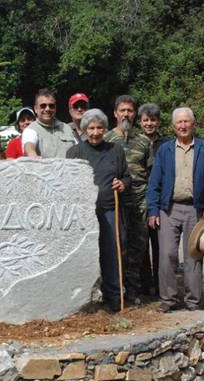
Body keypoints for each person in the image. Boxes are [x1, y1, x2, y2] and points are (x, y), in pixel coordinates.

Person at [147, 107, 204, 313]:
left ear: (193, 124)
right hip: (168, 209)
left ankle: (192, 301)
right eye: (179, 122)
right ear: (173, 126)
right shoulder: (165, 150)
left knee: (194, 257)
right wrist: (153, 210)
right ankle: (168, 299)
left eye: (187, 122)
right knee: (167, 254)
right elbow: (154, 183)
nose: (183, 125)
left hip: (195, 210)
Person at [66, 109, 131, 312]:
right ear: (84, 129)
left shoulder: (115, 150)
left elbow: (127, 176)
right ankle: (84, 299)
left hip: (110, 210)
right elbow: (66, 183)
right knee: (85, 255)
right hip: (84, 213)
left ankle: (114, 297)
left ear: (104, 129)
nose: (95, 132)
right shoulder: (74, 153)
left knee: (112, 253)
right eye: (91, 128)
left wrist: (122, 183)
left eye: (99, 128)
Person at [104, 95, 151, 304]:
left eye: (130, 111)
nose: (126, 114)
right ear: (115, 113)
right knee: (117, 245)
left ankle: (133, 290)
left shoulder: (143, 141)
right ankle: (115, 288)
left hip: (139, 201)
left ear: (135, 114)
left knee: (137, 247)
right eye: (122, 110)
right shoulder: (106, 140)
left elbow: (151, 173)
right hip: (116, 202)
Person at [138, 103, 169, 297]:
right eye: (146, 120)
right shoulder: (134, 141)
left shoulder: (166, 144)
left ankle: (160, 286)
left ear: (158, 122)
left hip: (161, 200)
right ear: (140, 122)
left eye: (153, 120)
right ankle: (144, 285)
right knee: (141, 245)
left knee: (160, 245)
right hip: (140, 198)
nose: (149, 123)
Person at [23, 88, 76, 158]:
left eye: (51, 106)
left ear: (55, 108)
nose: (47, 109)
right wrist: (32, 155)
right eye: (43, 106)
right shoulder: (30, 130)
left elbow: (79, 150)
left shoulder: (67, 128)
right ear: (36, 109)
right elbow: (29, 145)